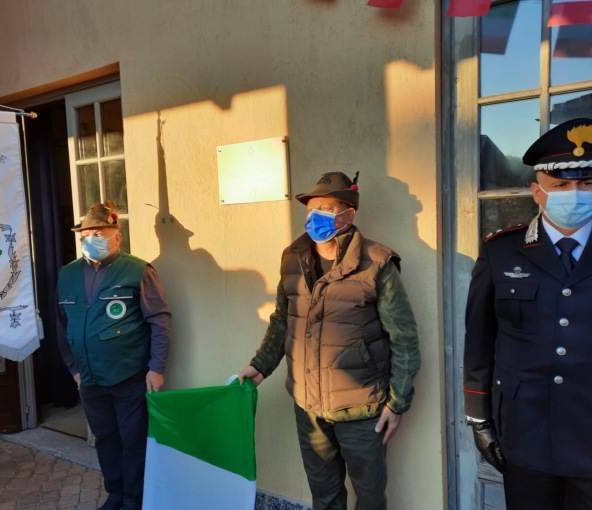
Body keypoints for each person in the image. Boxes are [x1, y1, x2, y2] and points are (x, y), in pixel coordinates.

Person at [238, 172, 421, 510]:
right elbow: (282, 318)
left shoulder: (377, 262)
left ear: (348, 215)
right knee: (324, 497)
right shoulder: (292, 257)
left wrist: (397, 403)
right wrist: (261, 365)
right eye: (312, 207)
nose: (315, 215)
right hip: (308, 405)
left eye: (326, 208)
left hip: (362, 407)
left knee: (370, 499)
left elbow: (404, 338)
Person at [464, 118, 592, 510]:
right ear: (538, 192)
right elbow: (479, 341)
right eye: (561, 185)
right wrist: (479, 417)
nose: (575, 194)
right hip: (525, 429)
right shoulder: (501, 252)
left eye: (587, 184)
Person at [57, 201, 171, 510]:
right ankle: (116, 494)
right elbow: (62, 325)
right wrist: (73, 369)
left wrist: (156, 367)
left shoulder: (138, 270)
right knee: (105, 439)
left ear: (116, 237)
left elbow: (159, 320)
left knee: (133, 439)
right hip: (89, 378)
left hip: (129, 374)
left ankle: (134, 498)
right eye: (86, 235)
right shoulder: (67, 274)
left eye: (99, 233)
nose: (91, 239)